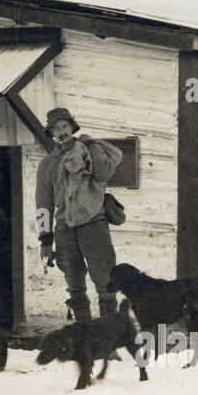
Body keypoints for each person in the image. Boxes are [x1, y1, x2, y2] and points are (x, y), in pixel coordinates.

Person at [35, 107, 123, 322]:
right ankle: (84, 332)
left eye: (64, 126)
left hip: (94, 223)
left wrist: (91, 145)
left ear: (72, 127)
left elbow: (103, 173)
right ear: (52, 134)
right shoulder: (47, 164)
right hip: (64, 227)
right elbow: (43, 204)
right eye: (56, 129)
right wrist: (46, 239)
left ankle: (107, 335)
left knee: (105, 280)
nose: (61, 132)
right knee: (74, 283)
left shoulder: (88, 151)